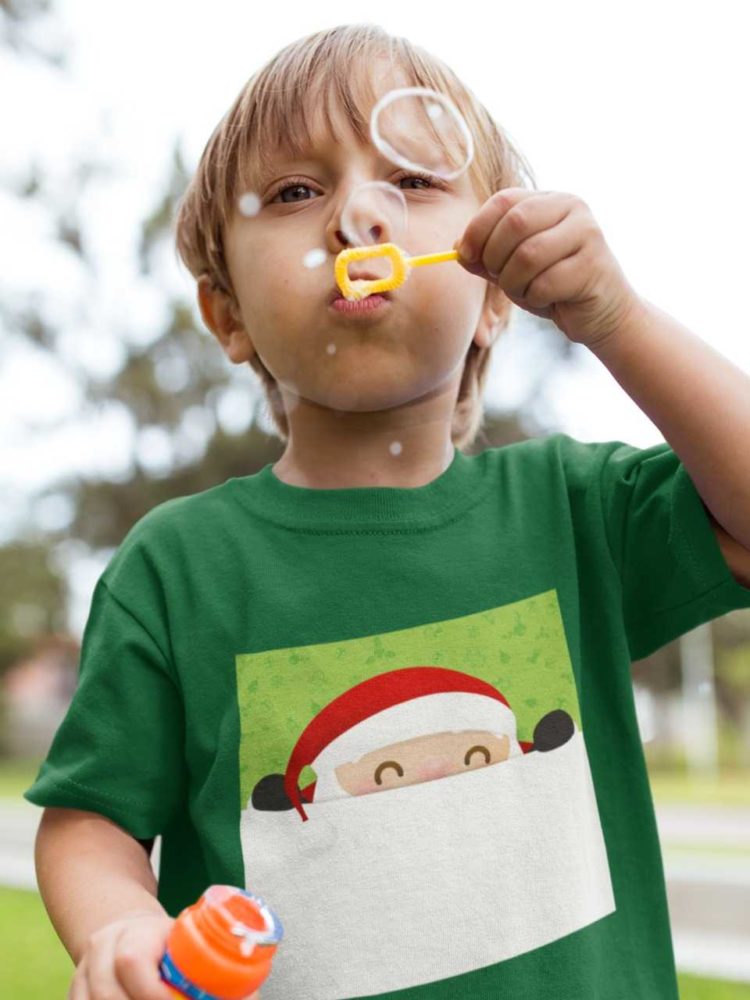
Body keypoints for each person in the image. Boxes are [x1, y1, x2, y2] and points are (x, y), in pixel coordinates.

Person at [24, 22, 750, 1000]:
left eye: (412, 182)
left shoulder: (575, 511)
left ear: (494, 294)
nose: (358, 215)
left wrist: (615, 318)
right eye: (294, 191)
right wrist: (119, 925)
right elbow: (90, 818)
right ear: (228, 312)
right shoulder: (177, 570)